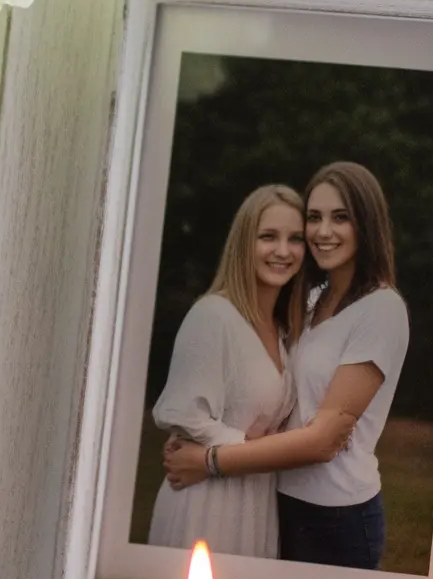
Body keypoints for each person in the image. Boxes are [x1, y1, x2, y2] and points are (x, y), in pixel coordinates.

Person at [149, 185, 356, 557]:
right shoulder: (212, 316)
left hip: (256, 501)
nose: (282, 251)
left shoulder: (283, 331)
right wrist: (248, 454)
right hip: (206, 502)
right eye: (268, 237)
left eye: (294, 239)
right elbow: (183, 413)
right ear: (245, 242)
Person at [276, 161, 411, 571]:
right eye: (314, 218)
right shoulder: (313, 298)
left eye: (340, 218)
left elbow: (321, 442)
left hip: (338, 518)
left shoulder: (381, 309)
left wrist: (215, 459)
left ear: (366, 224)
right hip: (282, 501)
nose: (322, 231)